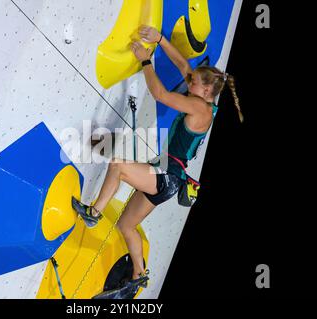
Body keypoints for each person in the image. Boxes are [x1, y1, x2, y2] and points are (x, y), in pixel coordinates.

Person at [72, 25, 243, 298]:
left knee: (118, 165)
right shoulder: (203, 99)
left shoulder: (199, 108)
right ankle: (138, 277)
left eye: (194, 82)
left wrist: (145, 60)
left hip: (168, 175)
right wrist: (160, 39)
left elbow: (161, 95)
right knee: (126, 226)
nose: (189, 83)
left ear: (208, 89)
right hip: (168, 177)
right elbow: (183, 64)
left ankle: (93, 214)